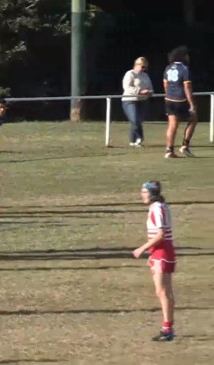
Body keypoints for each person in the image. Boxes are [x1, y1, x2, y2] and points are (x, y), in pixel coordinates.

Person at [132, 181, 176, 341]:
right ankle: (168, 327)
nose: (142, 194)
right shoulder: (162, 206)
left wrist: (142, 249)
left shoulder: (156, 209)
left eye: (144, 191)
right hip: (164, 251)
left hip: (161, 251)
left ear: (152, 193)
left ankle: (167, 329)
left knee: (162, 291)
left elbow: (160, 234)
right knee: (165, 291)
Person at [163, 46, 197, 158]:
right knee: (193, 119)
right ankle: (185, 145)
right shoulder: (184, 69)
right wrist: (191, 104)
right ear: (183, 56)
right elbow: (187, 87)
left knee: (172, 125)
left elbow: (165, 84)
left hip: (169, 99)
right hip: (180, 100)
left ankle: (169, 150)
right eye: (187, 55)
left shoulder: (168, 67)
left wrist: (168, 94)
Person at [122, 57, 154, 147]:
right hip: (130, 100)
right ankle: (140, 137)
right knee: (134, 120)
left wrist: (150, 92)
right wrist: (140, 91)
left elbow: (150, 86)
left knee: (138, 121)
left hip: (142, 101)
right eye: (142, 67)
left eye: (145, 67)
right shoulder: (130, 74)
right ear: (137, 65)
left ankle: (134, 141)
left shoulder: (145, 75)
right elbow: (127, 87)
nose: (144, 69)